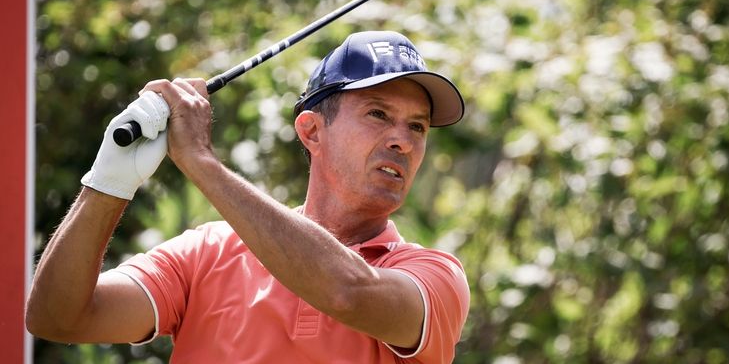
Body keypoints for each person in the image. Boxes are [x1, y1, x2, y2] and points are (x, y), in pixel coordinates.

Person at [26, 31, 470, 363]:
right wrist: (107, 184)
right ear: (312, 131)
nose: (403, 142)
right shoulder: (207, 252)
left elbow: (346, 292)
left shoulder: (433, 275)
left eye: (417, 126)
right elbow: (59, 317)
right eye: (379, 114)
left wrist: (201, 162)